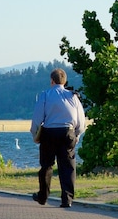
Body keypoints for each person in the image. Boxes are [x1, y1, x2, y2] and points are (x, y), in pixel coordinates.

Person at [30, 68, 86, 208]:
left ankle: (43, 196)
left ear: (52, 81)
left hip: (49, 133)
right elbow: (81, 120)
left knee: (46, 166)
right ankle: (67, 199)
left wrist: (34, 134)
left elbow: (37, 118)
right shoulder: (73, 96)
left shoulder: (45, 95)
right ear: (65, 81)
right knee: (67, 167)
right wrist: (77, 135)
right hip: (68, 132)